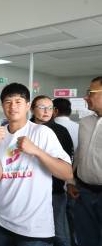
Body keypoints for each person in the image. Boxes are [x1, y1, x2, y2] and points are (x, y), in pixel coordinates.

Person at [0, 82, 73, 246]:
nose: (13, 106)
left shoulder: (42, 132)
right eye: (8, 102)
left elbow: (67, 173)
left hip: (34, 229)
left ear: (27, 106)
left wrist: (37, 151)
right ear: (2, 106)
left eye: (18, 102)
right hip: (3, 223)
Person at [31, 95, 73, 246]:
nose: (46, 111)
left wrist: (69, 183)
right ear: (32, 109)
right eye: (41, 107)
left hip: (55, 191)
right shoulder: (25, 130)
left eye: (50, 108)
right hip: (29, 191)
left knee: (59, 233)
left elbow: (67, 163)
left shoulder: (61, 131)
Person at [70, 76, 102, 246]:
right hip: (84, 193)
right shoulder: (85, 122)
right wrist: (71, 181)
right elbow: (80, 153)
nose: (85, 97)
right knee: (85, 239)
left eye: (90, 92)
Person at [52, 97, 79, 246]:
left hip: (57, 182)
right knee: (75, 220)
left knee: (57, 224)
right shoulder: (80, 127)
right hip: (76, 182)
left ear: (55, 110)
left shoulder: (51, 128)